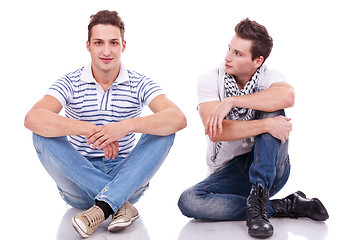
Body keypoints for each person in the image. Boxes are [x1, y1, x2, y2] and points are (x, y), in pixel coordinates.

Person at [24, 10, 186, 238]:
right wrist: (88, 128)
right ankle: (119, 204)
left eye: (113, 43)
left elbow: (178, 118)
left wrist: (124, 126)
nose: (107, 51)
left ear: (123, 45)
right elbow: (33, 118)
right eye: (99, 42)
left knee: (165, 131)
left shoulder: (139, 82)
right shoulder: (70, 82)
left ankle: (105, 205)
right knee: (40, 134)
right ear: (88, 45)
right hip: (78, 182)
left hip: (125, 175)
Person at [177, 18, 328, 239]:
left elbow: (287, 96)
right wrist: (266, 125)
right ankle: (281, 206)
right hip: (231, 172)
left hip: (271, 168)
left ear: (257, 61)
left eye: (238, 53)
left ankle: (259, 195)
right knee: (189, 201)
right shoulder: (210, 79)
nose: (228, 57)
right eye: (229, 49)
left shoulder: (270, 76)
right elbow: (216, 131)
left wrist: (233, 101)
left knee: (275, 109)